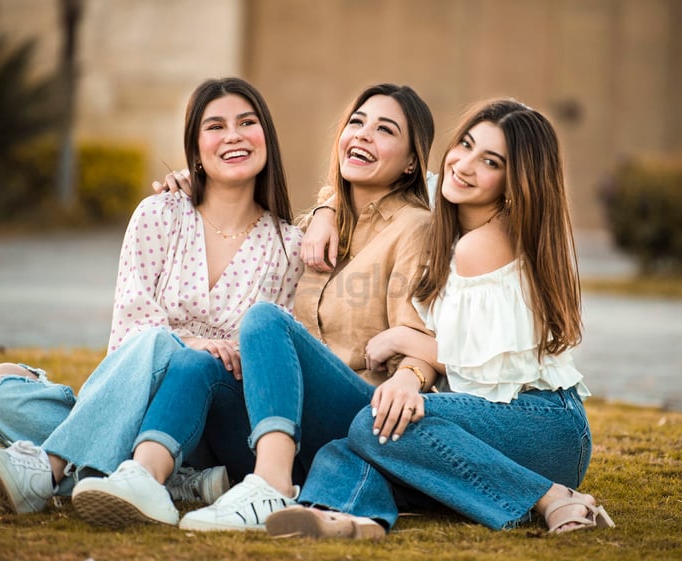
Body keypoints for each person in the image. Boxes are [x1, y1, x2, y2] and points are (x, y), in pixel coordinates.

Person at [264, 99, 616, 539]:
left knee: (372, 422)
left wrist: (403, 341)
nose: (464, 165)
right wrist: (325, 213)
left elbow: (486, 372)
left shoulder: (483, 245)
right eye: (464, 145)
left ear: (514, 182)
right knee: (358, 436)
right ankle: (351, 517)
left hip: (541, 424)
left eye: (489, 161)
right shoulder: (445, 193)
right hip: (484, 422)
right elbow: (361, 179)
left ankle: (549, 496)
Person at [0, 77, 304, 528]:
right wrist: (191, 341)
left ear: (267, 138)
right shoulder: (159, 214)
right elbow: (131, 329)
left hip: (216, 415)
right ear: (195, 148)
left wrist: (194, 351)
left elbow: (277, 354)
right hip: (136, 392)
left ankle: (50, 467)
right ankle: (177, 480)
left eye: (247, 122)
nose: (234, 135)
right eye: (215, 126)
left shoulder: (290, 246)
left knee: (168, 349)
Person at [156, 83, 438, 532]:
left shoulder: (415, 228)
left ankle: (270, 485)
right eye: (357, 123)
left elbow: (421, 339)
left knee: (266, 320)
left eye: (385, 130)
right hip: (288, 421)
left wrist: (412, 374)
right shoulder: (311, 228)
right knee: (200, 363)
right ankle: (146, 478)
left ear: (410, 162)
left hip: (359, 413)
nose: (363, 135)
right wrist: (197, 185)